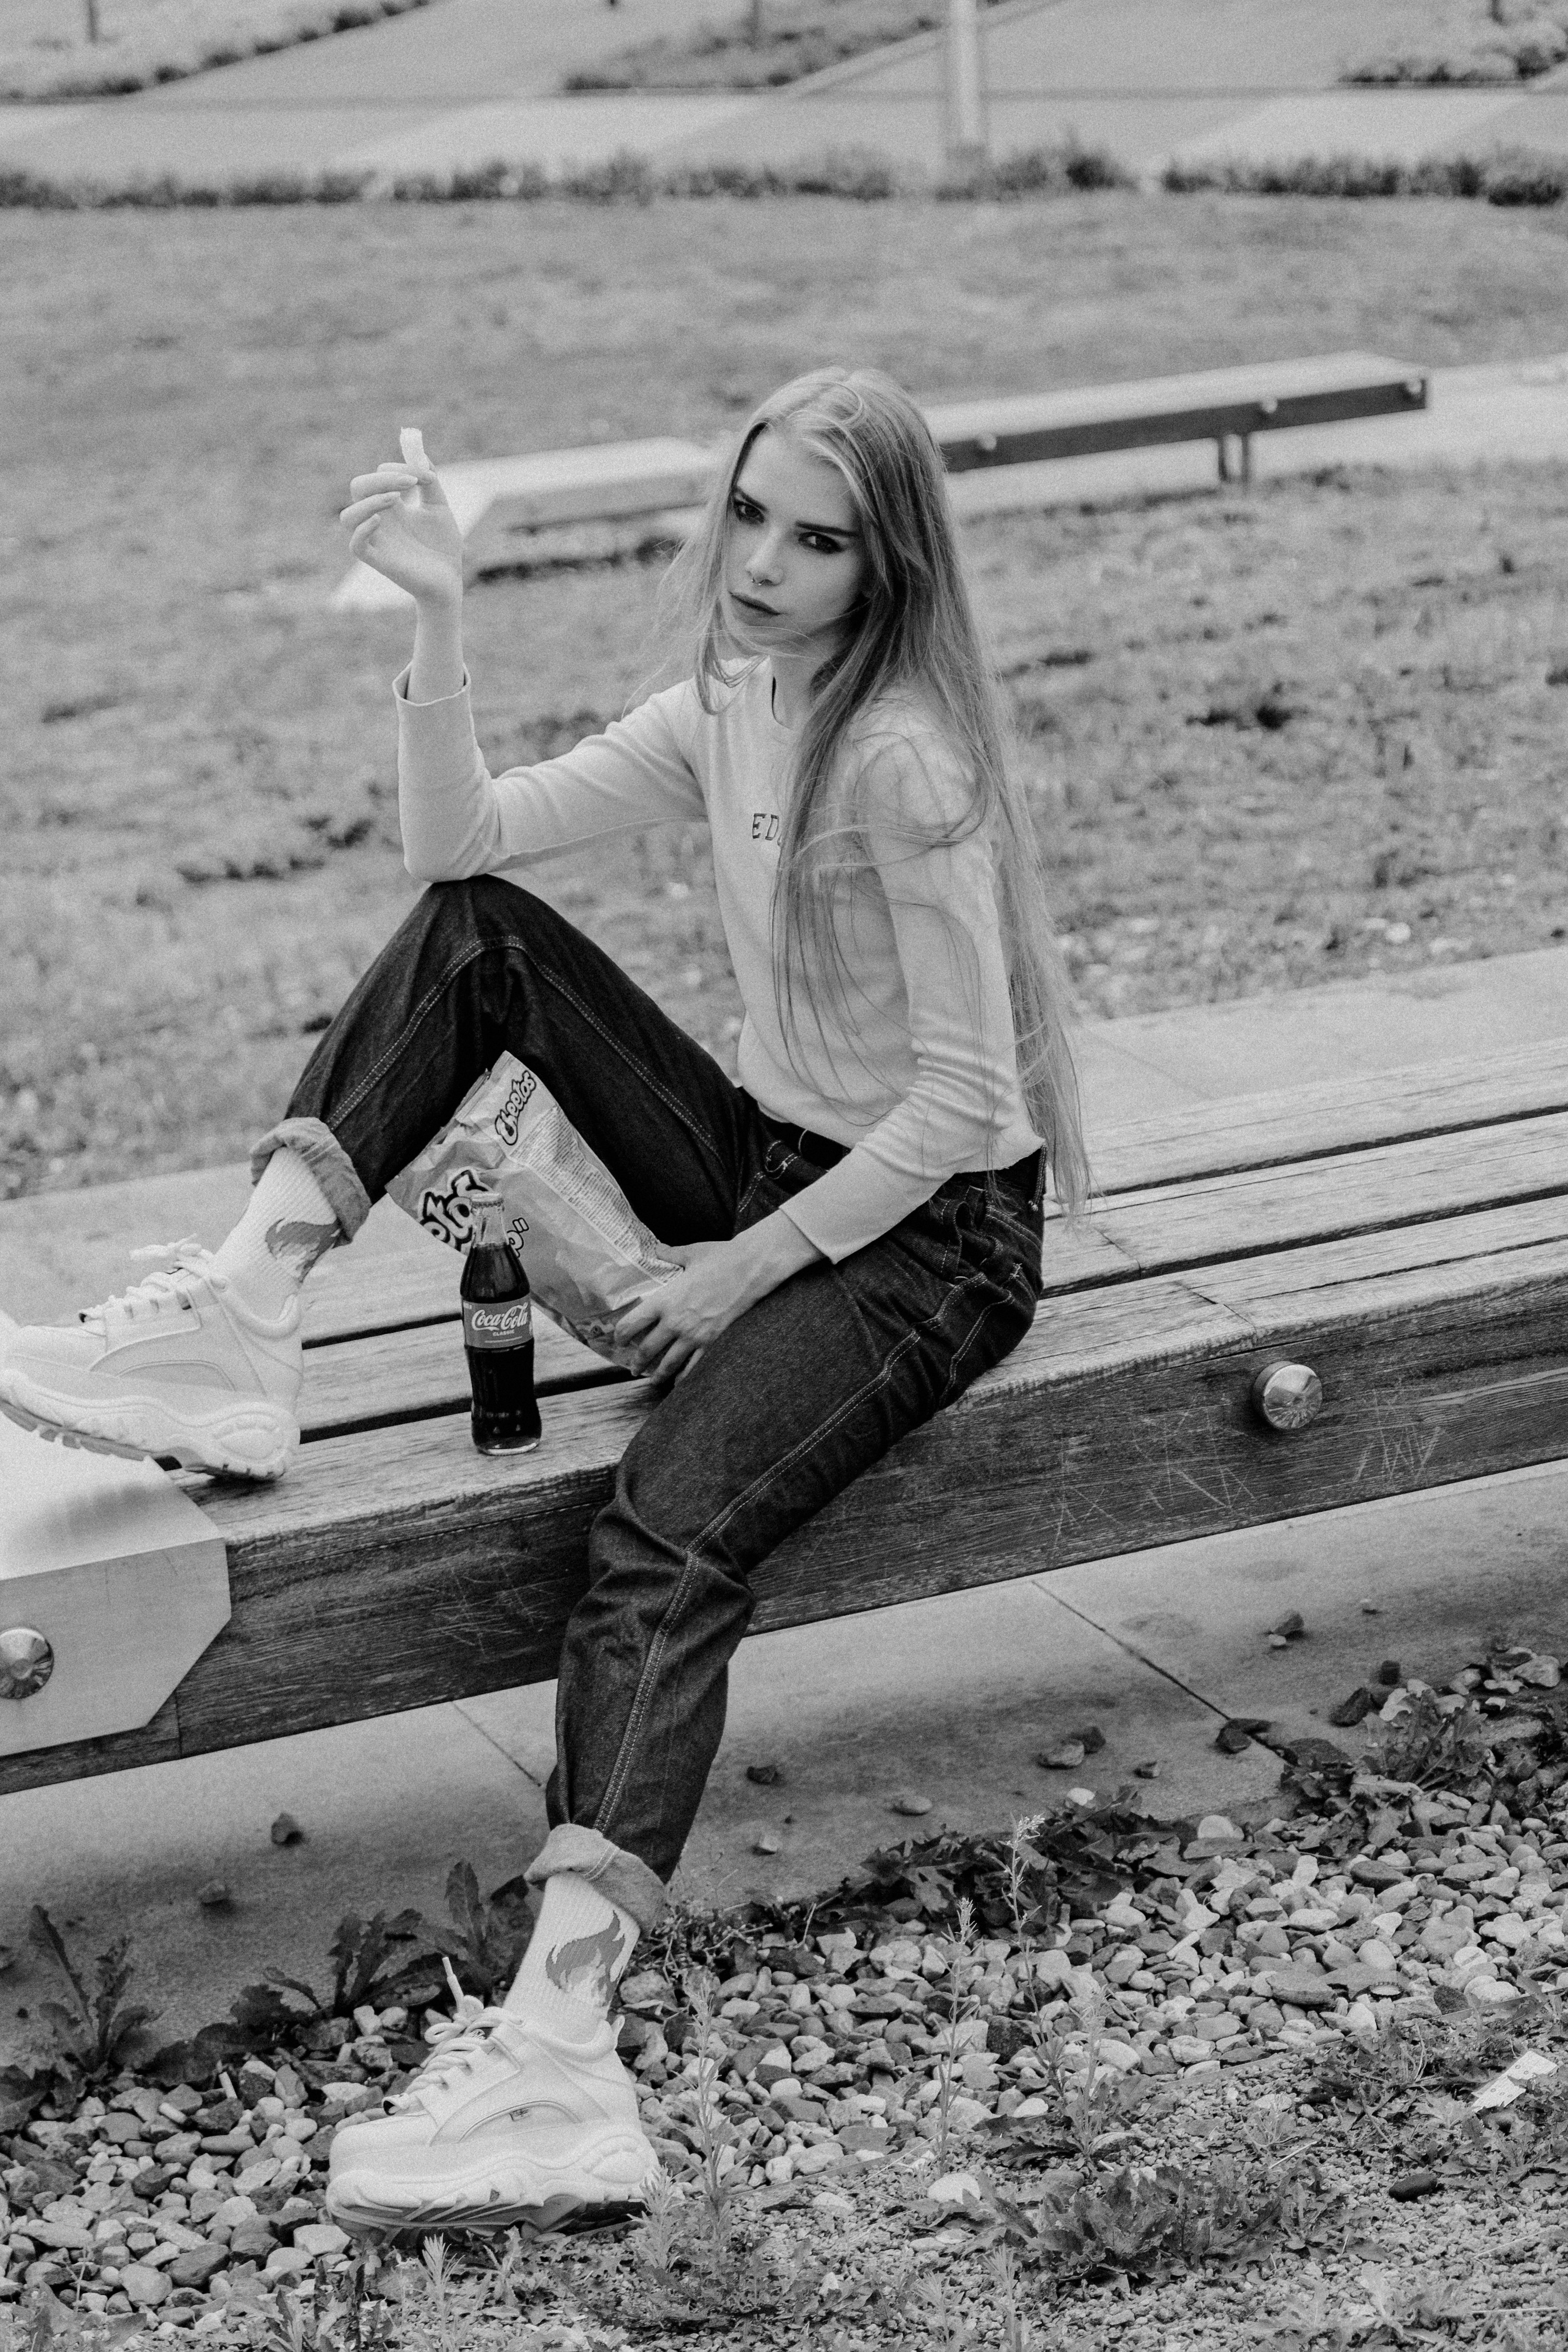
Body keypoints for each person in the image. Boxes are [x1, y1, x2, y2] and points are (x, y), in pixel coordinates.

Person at [0, 366, 1088, 2235]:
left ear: (885, 563)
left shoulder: (906, 759)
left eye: (818, 539)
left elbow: (973, 1110)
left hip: (932, 1238)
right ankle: (250, 1313)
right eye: (750, 512)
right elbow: (461, 847)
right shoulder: (740, 698)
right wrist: (436, 617)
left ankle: (561, 2061)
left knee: (661, 1533)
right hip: (775, 1159)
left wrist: (735, 1270)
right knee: (477, 940)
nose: (764, 563)